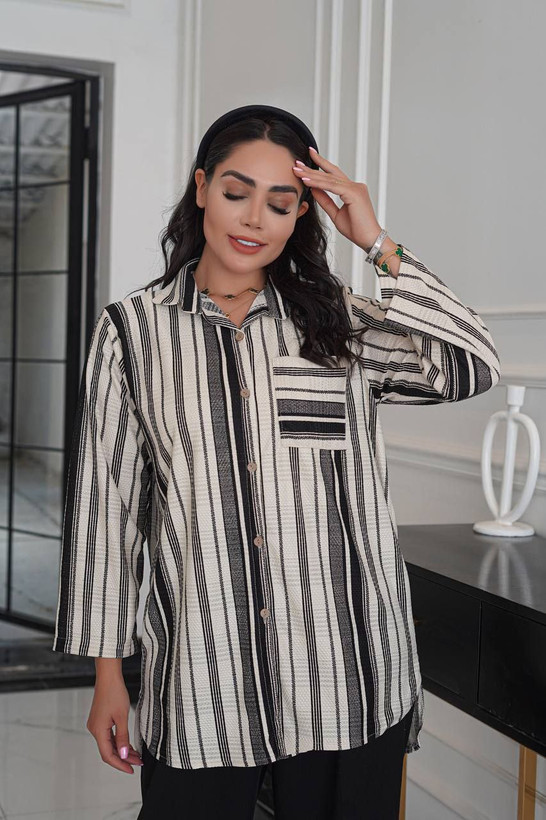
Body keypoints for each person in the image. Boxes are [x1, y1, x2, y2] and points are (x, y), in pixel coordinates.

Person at [52, 104, 501, 819]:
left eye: (280, 203)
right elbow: (107, 512)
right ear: (202, 187)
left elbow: (471, 368)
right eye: (237, 192)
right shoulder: (131, 332)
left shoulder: (338, 322)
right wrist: (109, 674)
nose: (254, 219)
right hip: (204, 683)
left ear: (301, 216)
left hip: (347, 674)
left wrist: (376, 239)